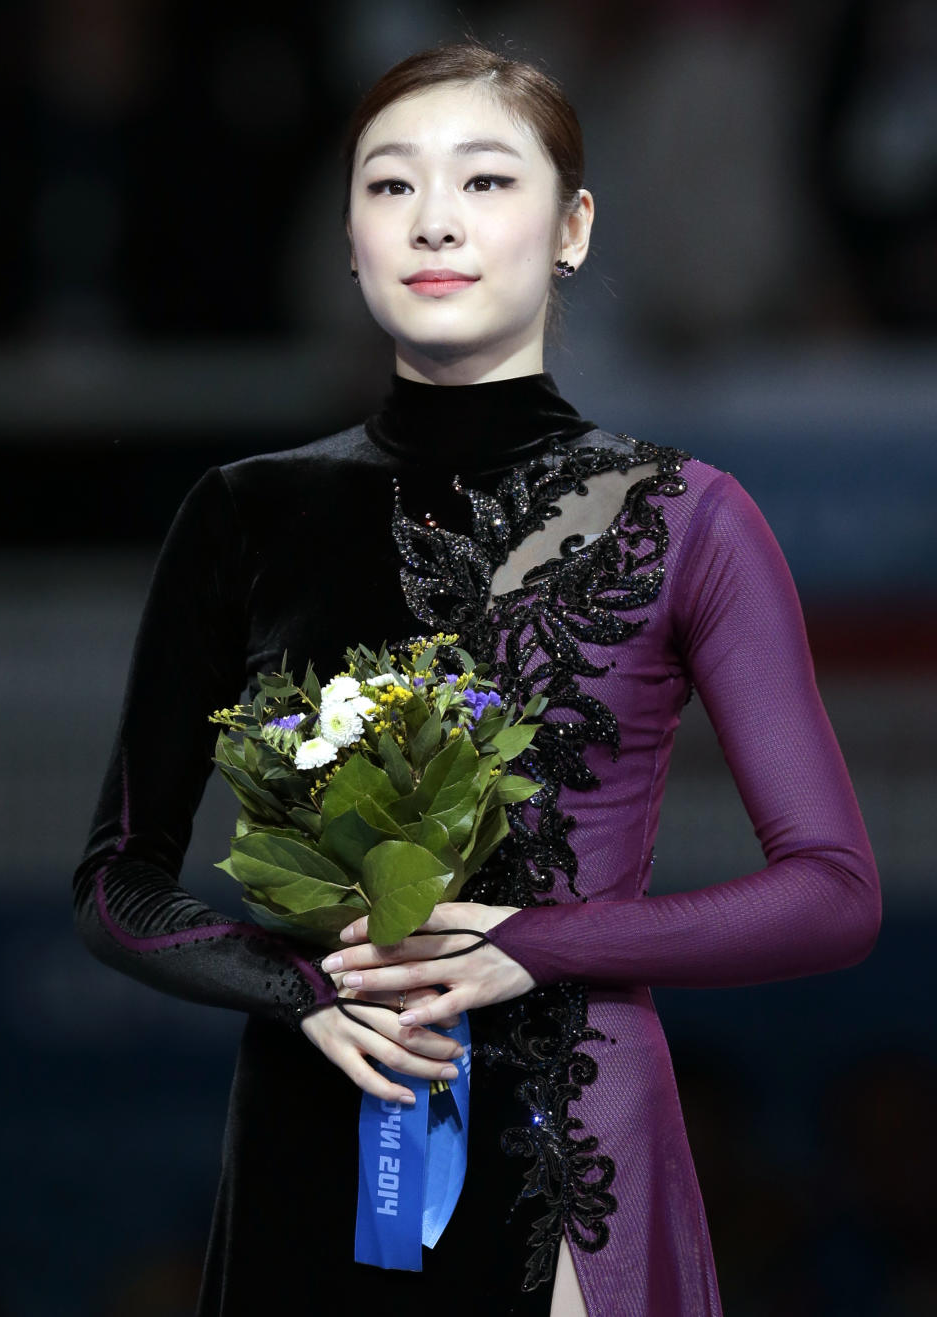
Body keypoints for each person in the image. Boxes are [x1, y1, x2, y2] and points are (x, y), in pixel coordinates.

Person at [72, 42, 881, 1317]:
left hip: (567, 1124)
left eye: (486, 182)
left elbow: (834, 893)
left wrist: (529, 943)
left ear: (574, 227)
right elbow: (117, 882)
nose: (434, 219)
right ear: (347, 236)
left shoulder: (688, 516)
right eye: (389, 186)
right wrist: (298, 991)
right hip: (318, 1102)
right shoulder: (243, 513)